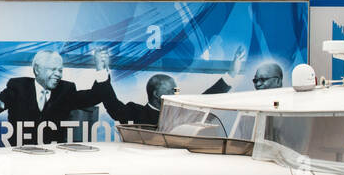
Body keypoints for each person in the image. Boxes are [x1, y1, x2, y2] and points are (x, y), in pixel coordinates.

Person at [0, 49, 109, 145]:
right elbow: (0, 100)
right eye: (53, 69)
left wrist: (101, 69)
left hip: (51, 160)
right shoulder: (18, 86)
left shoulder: (66, 89)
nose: (58, 74)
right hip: (18, 156)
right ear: (37, 70)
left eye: (60, 70)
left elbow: (94, 96)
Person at [99, 47, 246, 128]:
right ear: (156, 94)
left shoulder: (181, 113)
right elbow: (113, 106)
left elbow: (205, 99)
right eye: (172, 90)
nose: (177, 94)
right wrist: (102, 71)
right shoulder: (137, 112)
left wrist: (232, 73)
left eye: (177, 90)